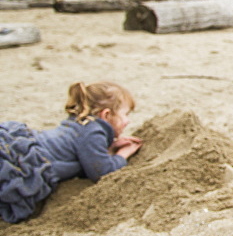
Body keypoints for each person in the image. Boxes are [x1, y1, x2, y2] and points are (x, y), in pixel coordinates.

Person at [0, 81, 144, 223]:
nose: (128, 121)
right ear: (106, 115)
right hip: (31, 160)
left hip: (22, 147)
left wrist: (109, 149)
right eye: (126, 114)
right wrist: (123, 154)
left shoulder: (80, 124)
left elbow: (85, 155)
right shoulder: (93, 131)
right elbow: (103, 172)